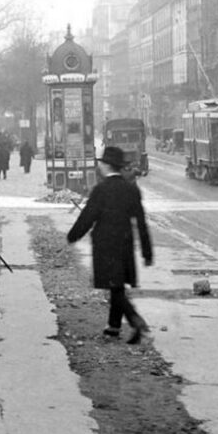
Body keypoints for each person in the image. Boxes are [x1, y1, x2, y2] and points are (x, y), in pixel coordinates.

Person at [67, 145, 153, 344]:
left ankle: (135, 319)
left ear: (106, 166)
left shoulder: (101, 190)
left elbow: (88, 217)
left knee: (114, 286)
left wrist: (73, 236)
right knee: (118, 285)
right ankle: (113, 327)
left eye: (102, 164)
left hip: (105, 244)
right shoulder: (131, 190)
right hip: (125, 243)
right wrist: (147, 252)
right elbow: (141, 222)